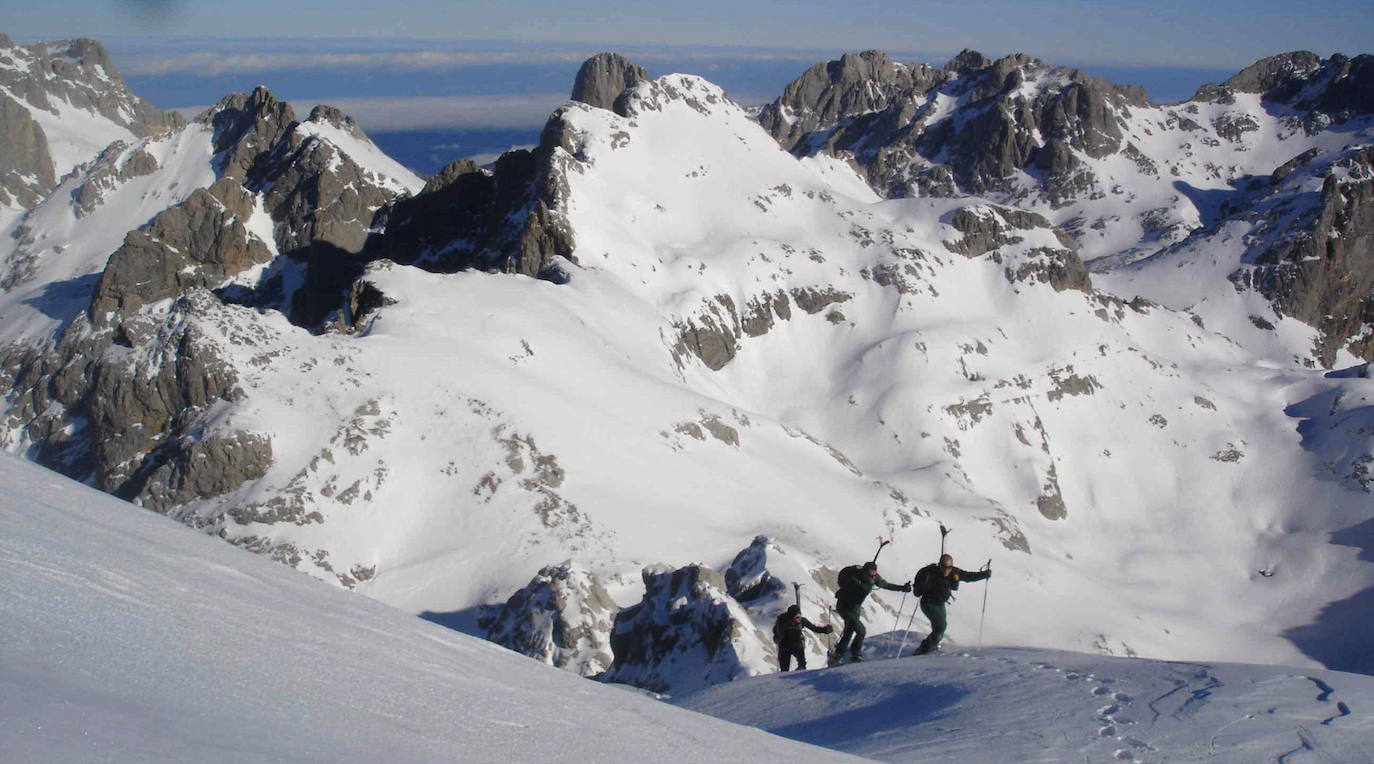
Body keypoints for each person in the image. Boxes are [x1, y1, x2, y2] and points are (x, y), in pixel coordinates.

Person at [830, 561, 910, 665]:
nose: (872, 577)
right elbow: (849, 590)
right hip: (845, 607)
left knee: (849, 630)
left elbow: (885, 584)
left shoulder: (872, 578)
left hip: (855, 608)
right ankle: (854, 655)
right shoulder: (853, 580)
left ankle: (839, 655)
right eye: (870, 575)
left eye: (874, 575)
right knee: (861, 630)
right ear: (864, 572)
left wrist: (902, 588)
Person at [911, 554, 990, 655]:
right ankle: (924, 649)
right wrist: (924, 586)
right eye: (944, 567)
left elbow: (968, 576)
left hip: (940, 604)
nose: (946, 570)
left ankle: (931, 646)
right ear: (940, 565)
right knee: (941, 627)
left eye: (949, 567)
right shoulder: (930, 574)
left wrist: (984, 575)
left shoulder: (954, 573)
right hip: (928, 603)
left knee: (939, 628)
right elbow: (917, 592)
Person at [772, 604, 833, 671]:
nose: (799, 618)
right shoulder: (782, 622)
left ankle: (797, 675)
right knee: (784, 669)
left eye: (799, 616)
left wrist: (825, 630)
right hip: (785, 646)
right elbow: (776, 633)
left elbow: (814, 628)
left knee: (802, 665)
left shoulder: (801, 621)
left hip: (796, 644)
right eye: (797, 617)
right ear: (791, 617)